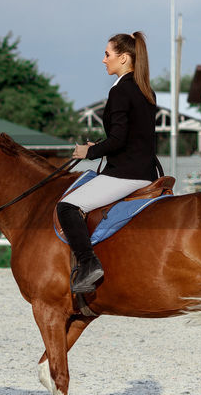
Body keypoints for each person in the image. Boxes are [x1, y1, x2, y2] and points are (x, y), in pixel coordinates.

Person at [58, 31, 159, 294]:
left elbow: (117, 140)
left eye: (107, 54)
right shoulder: (145, 90)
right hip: (146, 171)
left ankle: (89, 264)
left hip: (126, 174)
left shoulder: (121, 91)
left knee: (68, 206)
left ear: (124, 58)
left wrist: (86, 152)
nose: (104, 60)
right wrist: (101, 147)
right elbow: (131, 139)